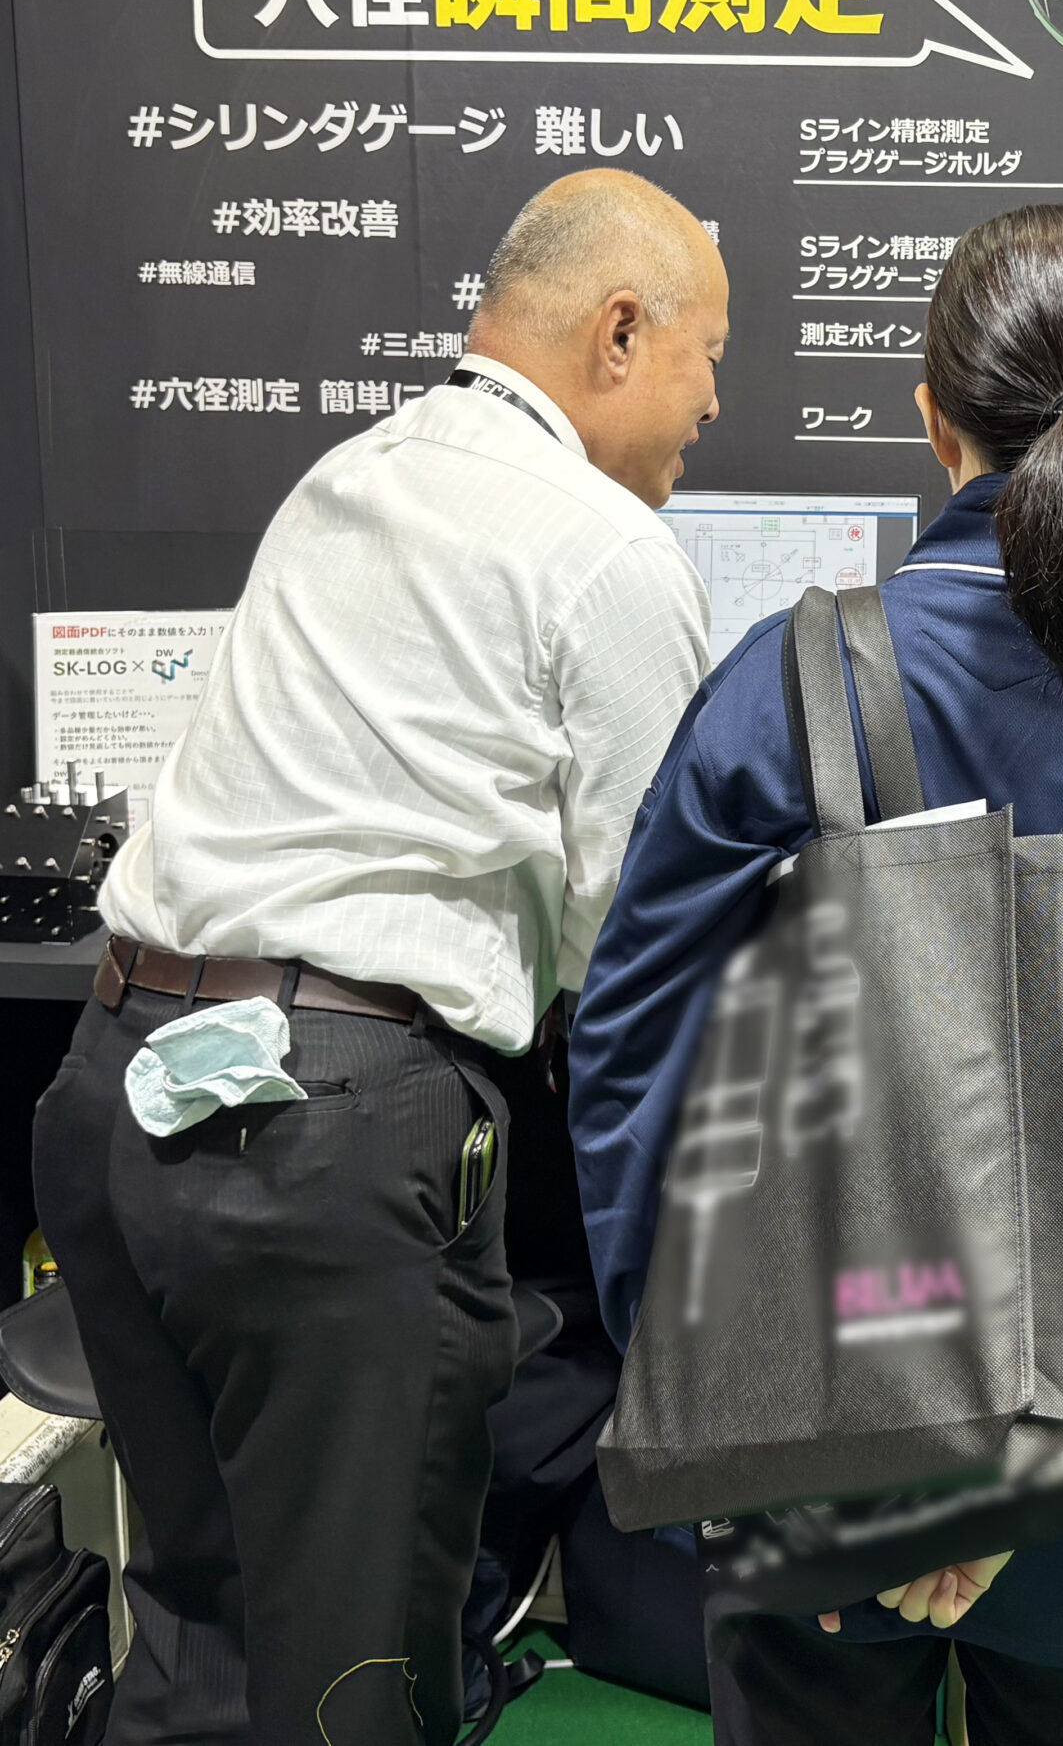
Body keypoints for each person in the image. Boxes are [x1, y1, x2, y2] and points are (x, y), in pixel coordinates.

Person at [568, 204, 1063, 1746]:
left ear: (933, 421)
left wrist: (763, 1432)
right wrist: (1009, 1479)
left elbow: (633, 1078)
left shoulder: (774, 697)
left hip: (808, 1468)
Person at [36, 169, 726, 1746]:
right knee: (360, 1677)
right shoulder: (607, 553)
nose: (712, 403)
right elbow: (641, 946)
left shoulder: (346, 477)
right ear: (620, 332)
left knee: (199, 1634)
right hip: (330, 1137)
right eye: (712, 353)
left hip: (118, 1089)